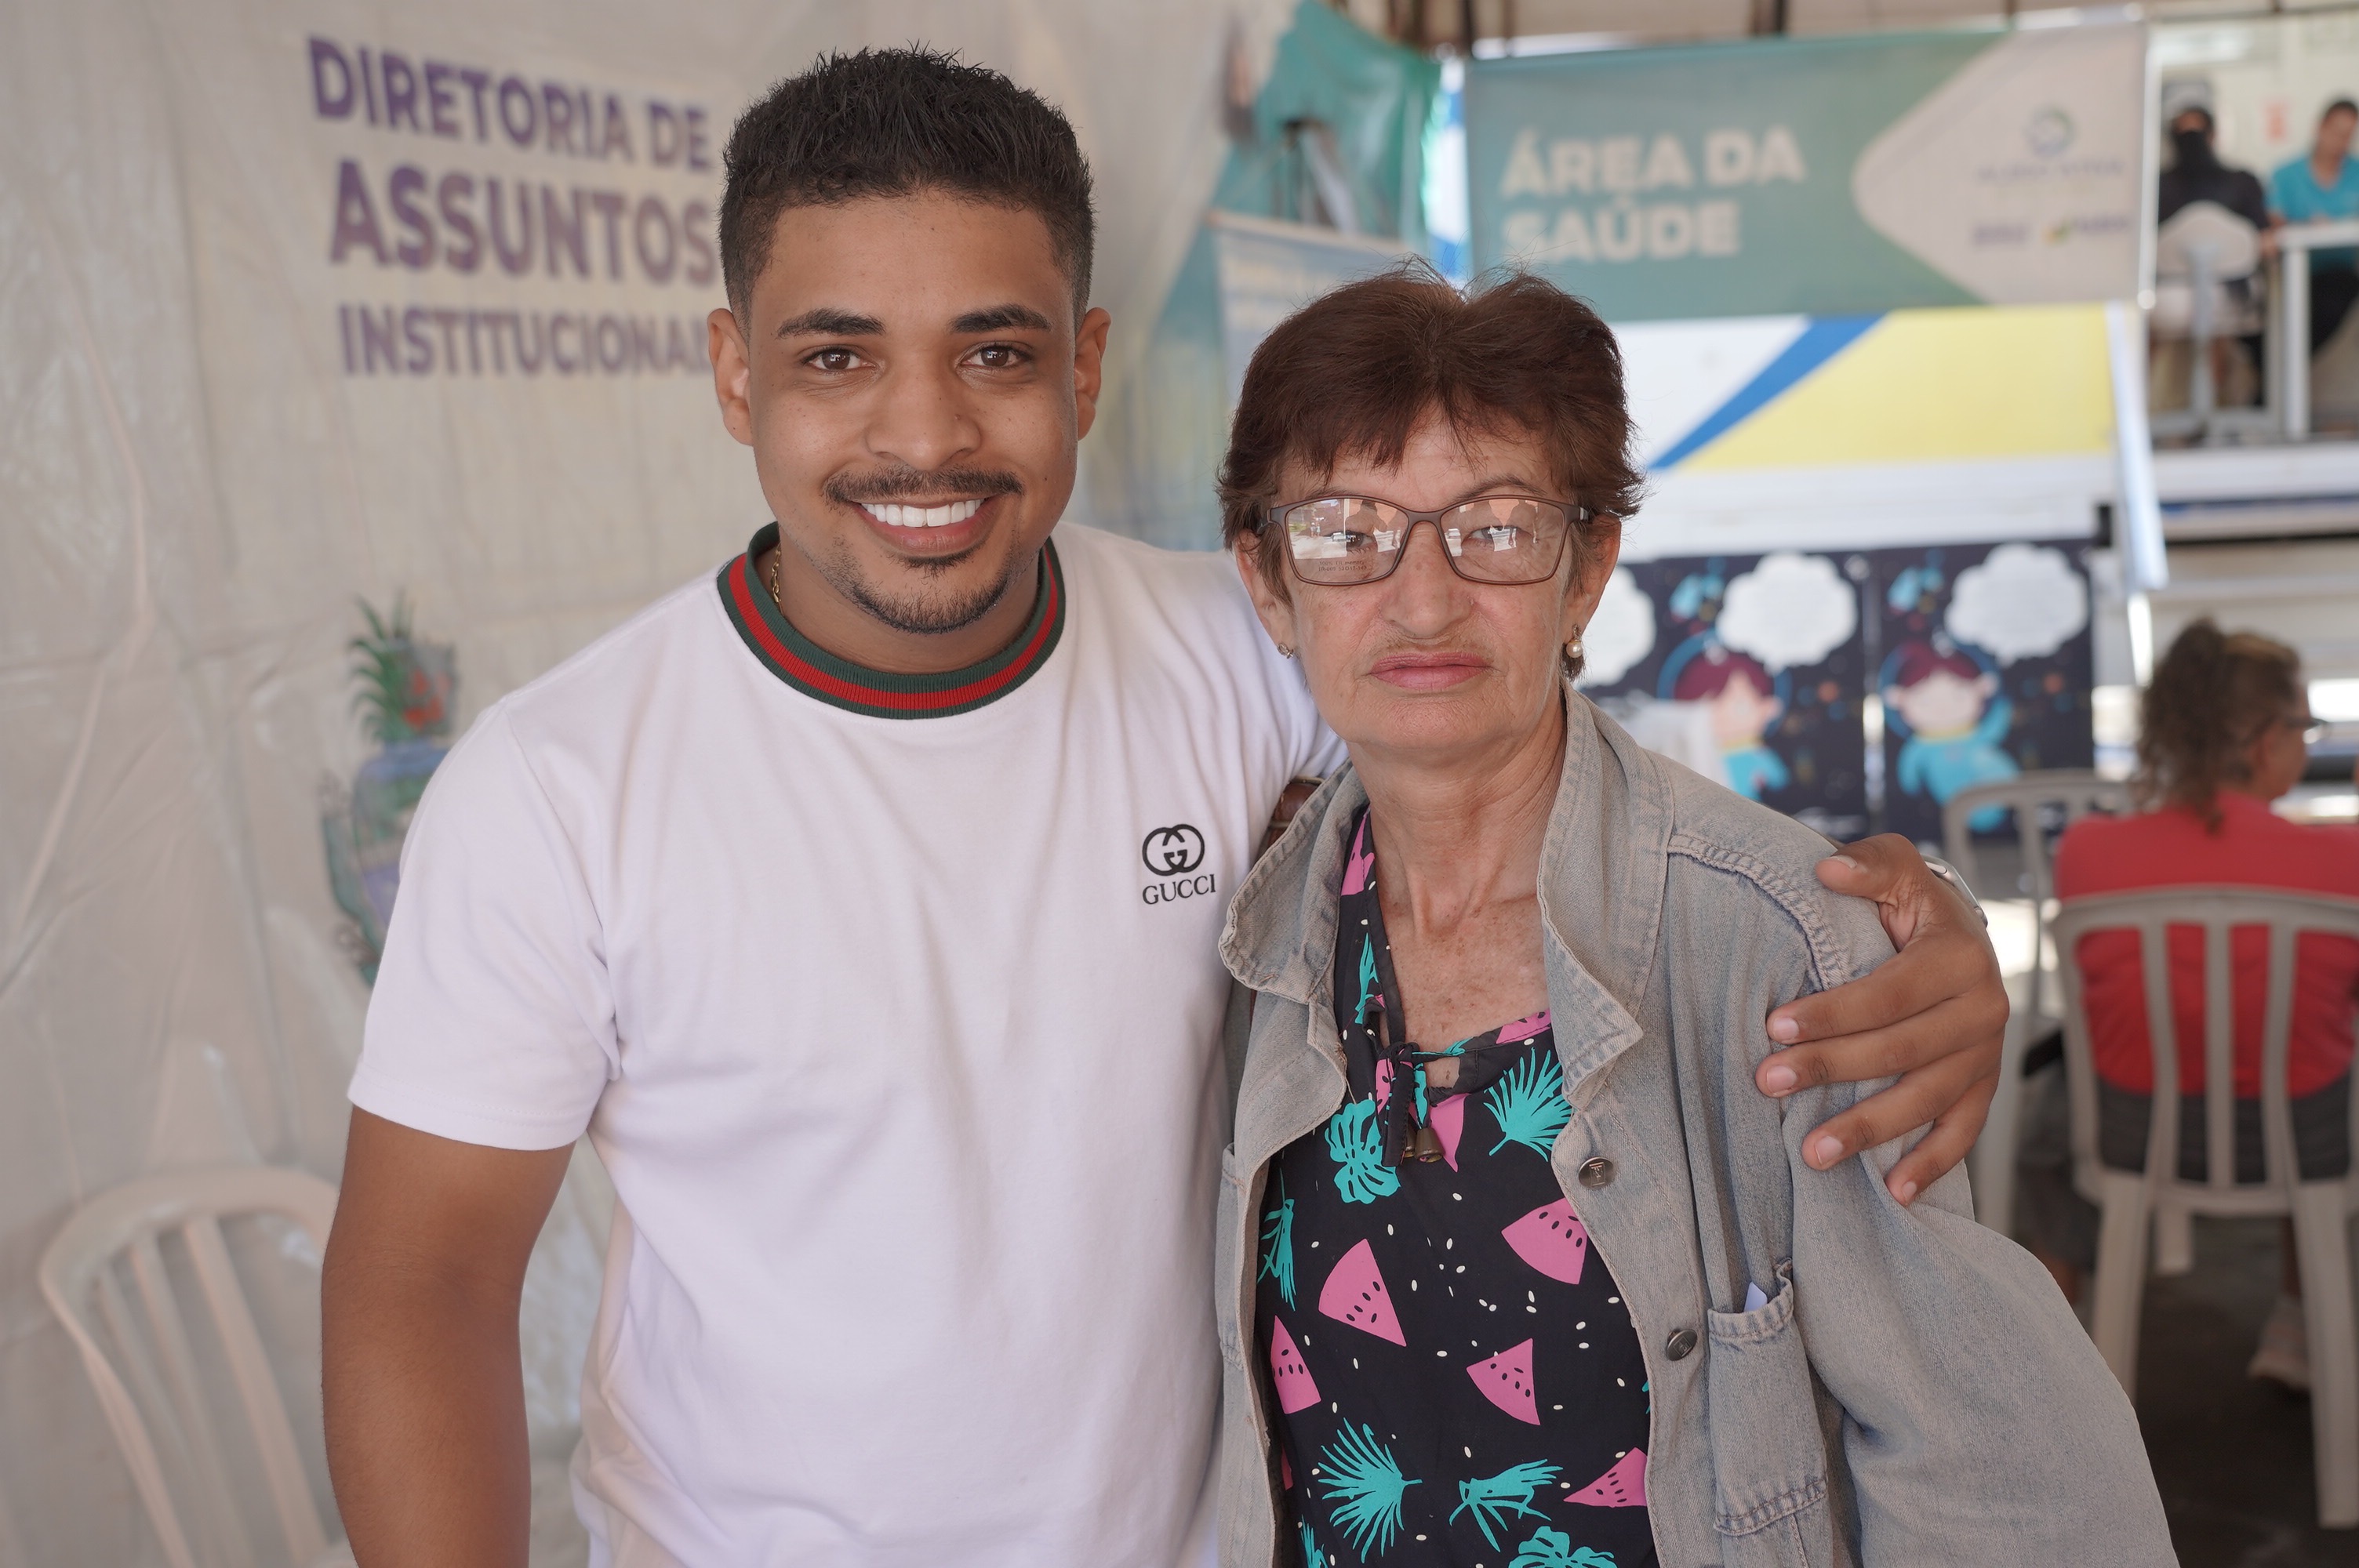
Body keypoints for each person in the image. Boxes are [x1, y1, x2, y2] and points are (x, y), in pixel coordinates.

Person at [321, 50, 2012, 1566]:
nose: (924, 434)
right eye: (836, 356)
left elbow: (1530, 761)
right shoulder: (559, 788)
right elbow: (424, 1287)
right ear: (732, 373)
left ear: (1084, 367)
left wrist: (1899, 930)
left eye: (994, 352)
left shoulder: (1236, 643)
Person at [1212, 269, 2168, 1566]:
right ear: (1269, 583)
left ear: (1588, 568)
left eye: (1497, 527)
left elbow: (1996, 1476)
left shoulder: (1776, 953)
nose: (1423, 598)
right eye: (1346, 531)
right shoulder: (1258, 942)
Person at [2021, 622, 2359, 1389]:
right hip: (2303, 1147)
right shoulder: (2343, 860)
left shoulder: (2088, 851)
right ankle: (2299, 1314)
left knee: (2063, 1079)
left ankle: (2050, 1342)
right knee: (2304, 1052)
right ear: (2266, 740)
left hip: (2136, 1139)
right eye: (2303, 726)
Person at [2269, 98, 2359, 351]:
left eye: (2348, 136)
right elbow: (2273, 221)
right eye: (2336, 132)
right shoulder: (2286, 174)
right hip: (2292, 276)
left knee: (2333, 297)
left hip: (2340, 276)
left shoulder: (2356, 173)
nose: (2340, 142)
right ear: (2320, 127)